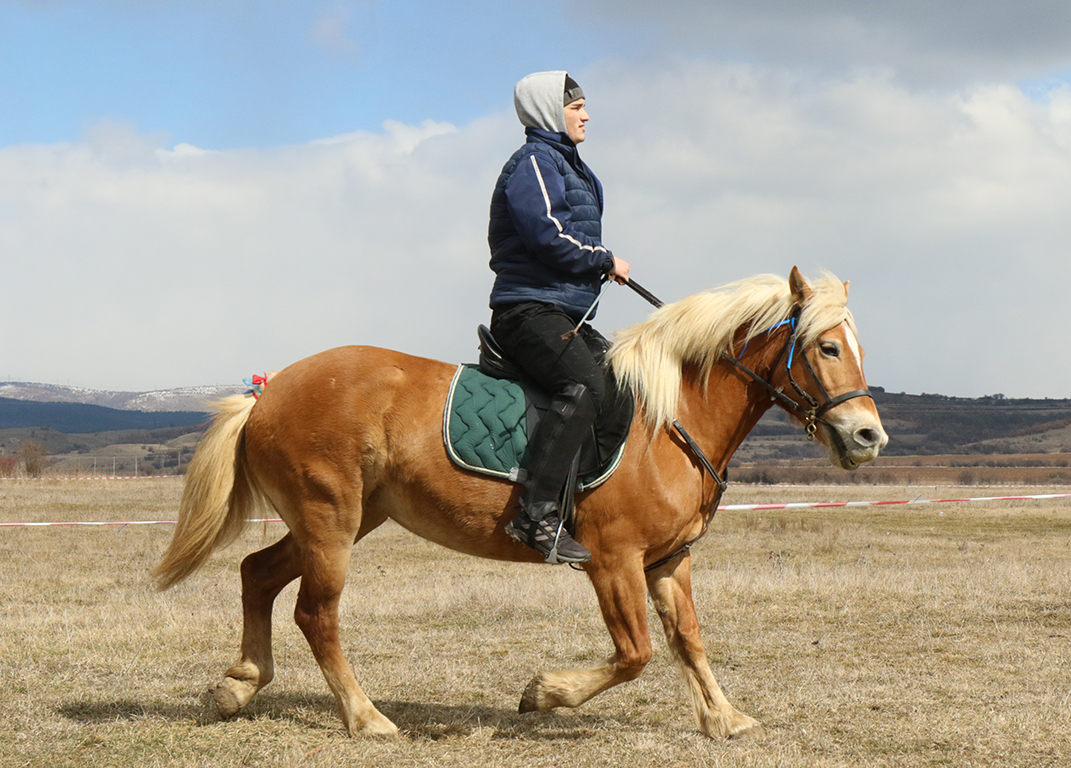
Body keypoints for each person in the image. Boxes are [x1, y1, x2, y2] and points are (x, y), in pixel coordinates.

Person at [487, 71, 630, 564]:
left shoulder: (568, 165)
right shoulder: (534, 162)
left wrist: (599, 261)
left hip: (561, 309)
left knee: (621, 382)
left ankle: (584, 505)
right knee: (585, 387)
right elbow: (547, 234)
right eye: (576, 107)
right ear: (551, 112)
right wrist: (602, 259)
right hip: (528, 308)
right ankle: (535, 514)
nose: (586, 115)